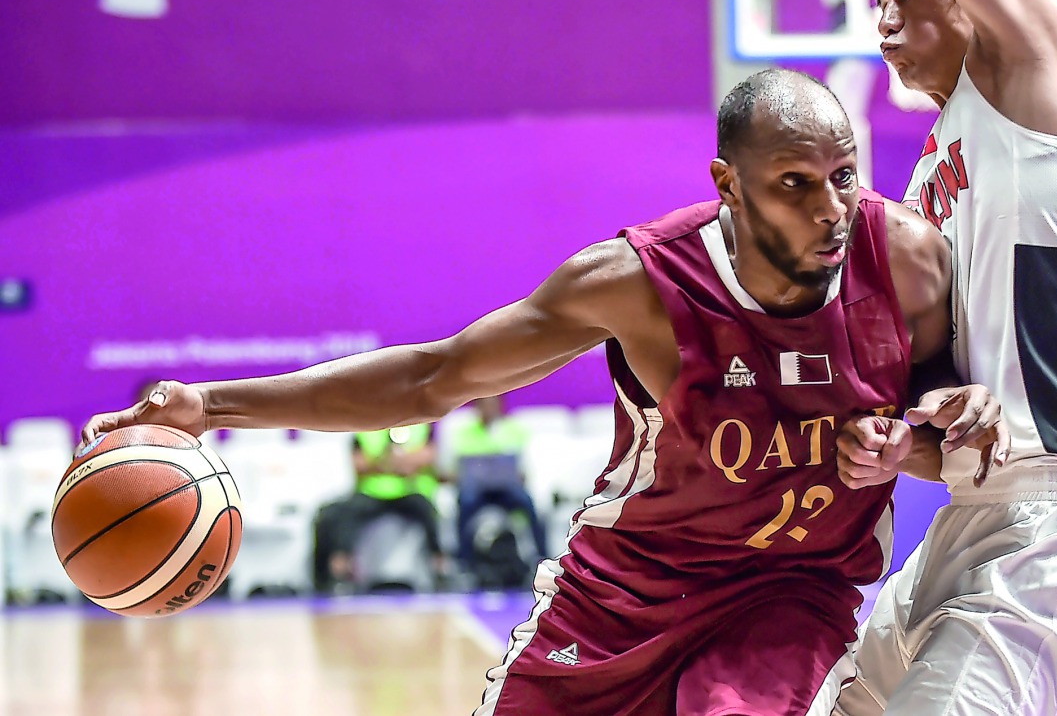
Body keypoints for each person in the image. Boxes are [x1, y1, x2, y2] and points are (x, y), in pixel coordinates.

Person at [81, 69, 1005, 716]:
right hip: (624, 593)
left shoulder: (912, 265)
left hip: (792, 591)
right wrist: (214, 405)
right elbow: (432, 376)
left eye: (844, 177)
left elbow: (944, 434)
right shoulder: (636, 284)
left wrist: (912, 445)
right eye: (795, 185)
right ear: (727, 185)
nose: (831, 209)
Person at [831, 0, 1057, 714]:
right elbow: (959, 419)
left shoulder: (1035, 70)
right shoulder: (928, 181)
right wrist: (898, 447)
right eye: (878, 1)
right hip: (962, 522)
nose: (885, 18)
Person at [311, 423, 444, 594]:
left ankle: (440, 568)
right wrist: (390, 462)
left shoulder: (420, 425)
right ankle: (340, 571)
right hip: (372, 492)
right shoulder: (366, 428)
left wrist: (388, 463)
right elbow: (358, 463)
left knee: (428, 512)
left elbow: (429, 455)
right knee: (346, 516)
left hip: (408, 491)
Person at [441, 394, 548, 586]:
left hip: (506, 489)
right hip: (476, 490)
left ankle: (541, 557)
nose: (488, 409)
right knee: (465, 503)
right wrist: (465, 477)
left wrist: (515, 475)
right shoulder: (463, 433)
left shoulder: (513, 430)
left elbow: (523, 470)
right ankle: (464, 562)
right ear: (477, 408)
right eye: (484, 405)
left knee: (527, 502)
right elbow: (452, 472)